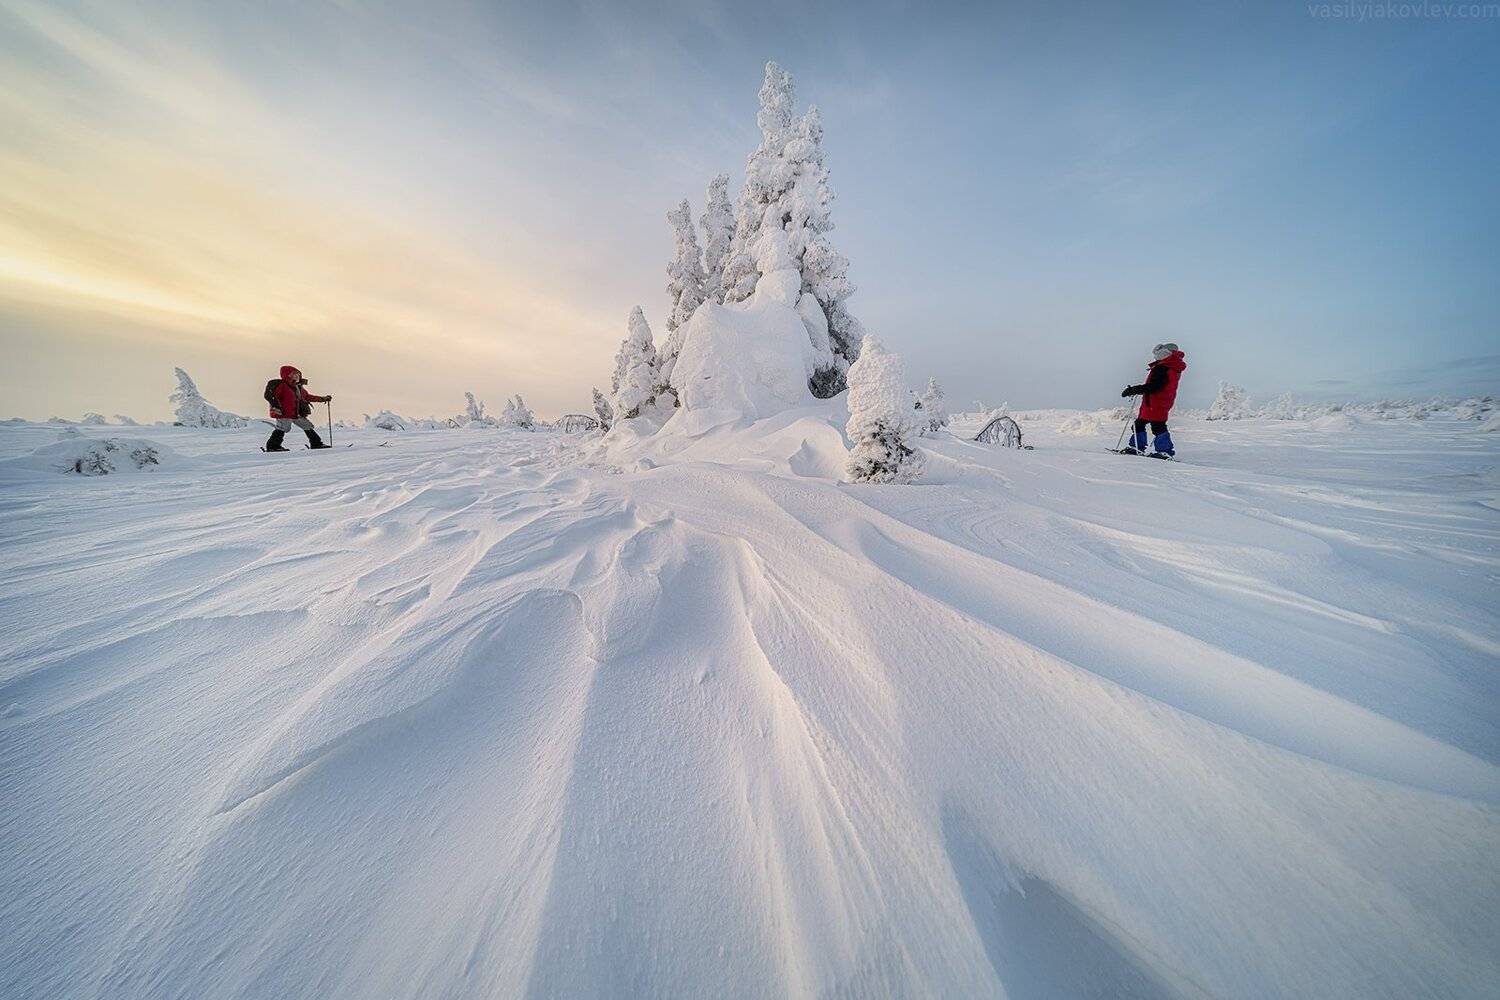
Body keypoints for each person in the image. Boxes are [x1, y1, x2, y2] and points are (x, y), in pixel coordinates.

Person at [1121, 343, 1186, 457]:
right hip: (1161, 401)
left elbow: (1154, 386)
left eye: (1156, 354)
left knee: (1156, 426)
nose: (1155, 356)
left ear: (1164, 353)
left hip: (1155, 402)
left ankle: (1163, 451)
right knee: (1143, 424)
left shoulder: (1163, 367)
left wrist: (1134, 390)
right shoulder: (1172, 367)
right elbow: (1158, 386)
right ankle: (1140, 447)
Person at [265, 365, 332, 451]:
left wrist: (322, 399)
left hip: (295, 413)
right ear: (287, 375)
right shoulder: (281, 385)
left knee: (307, 425)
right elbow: (270, 396)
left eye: (298, 375)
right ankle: (273, 446)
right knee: (283, 428)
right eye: (294, 374)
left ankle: (316, 443)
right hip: (283, 412)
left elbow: (307, 397)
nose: (297, 376)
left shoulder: (297, 387)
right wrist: (276, 407)